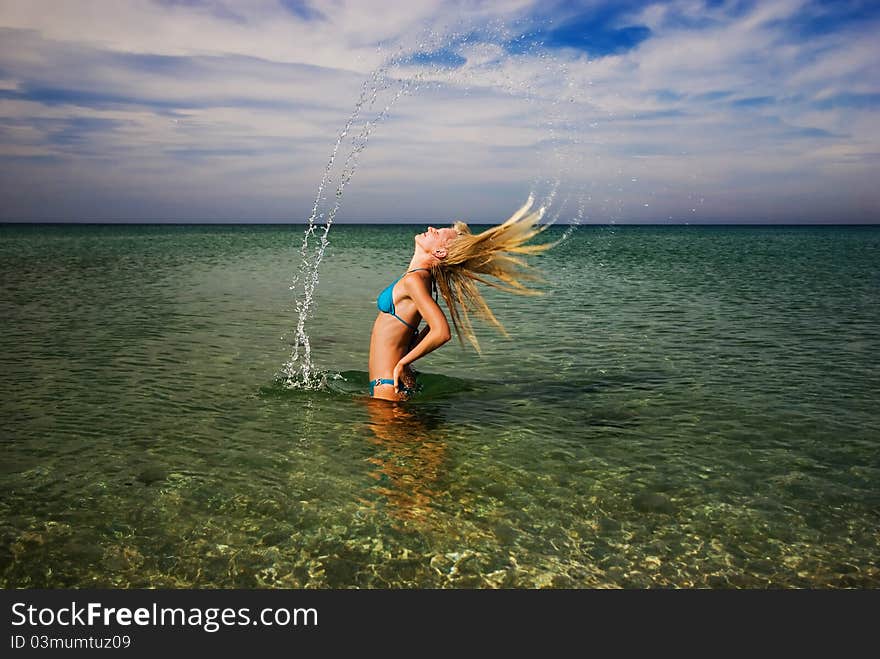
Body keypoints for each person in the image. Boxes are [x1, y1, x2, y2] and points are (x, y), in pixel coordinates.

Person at [368, 196, 554, 401]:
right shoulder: (422, 279)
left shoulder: (415, 281)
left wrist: (403, 363)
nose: (430, 228)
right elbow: (428, 328)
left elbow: (441, 332)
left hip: (387, 386)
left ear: (439, 251)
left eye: (436, 232)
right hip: (391, 383)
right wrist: (406, 356)